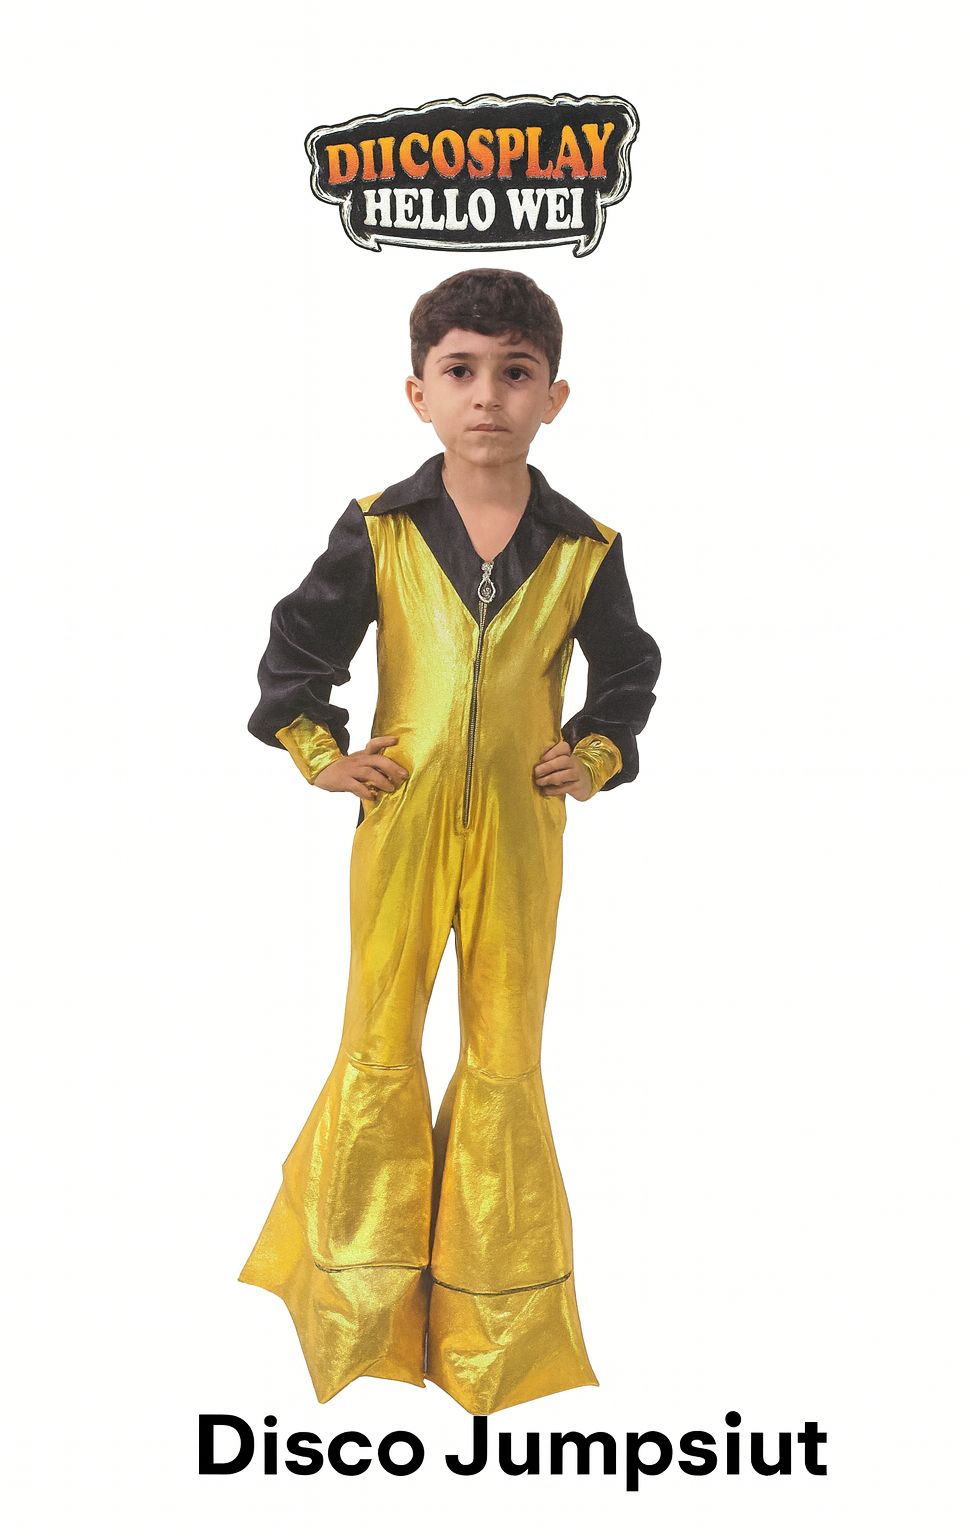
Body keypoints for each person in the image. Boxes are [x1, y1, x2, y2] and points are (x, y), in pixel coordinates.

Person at [238, 267, 661, 1415]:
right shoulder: (381, 526)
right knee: (379, 1040)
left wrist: (595, 752)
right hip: (404, 817)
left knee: (505, 1053)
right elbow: (300, 644)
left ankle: (494, 1333)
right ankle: (356, 1312)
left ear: (553, 397)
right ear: (417, 392)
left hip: (523, 828)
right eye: (460, 371)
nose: (487, 397)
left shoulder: (584, 546)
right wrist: (322, 751)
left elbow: (628, 669)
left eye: (515, 374)